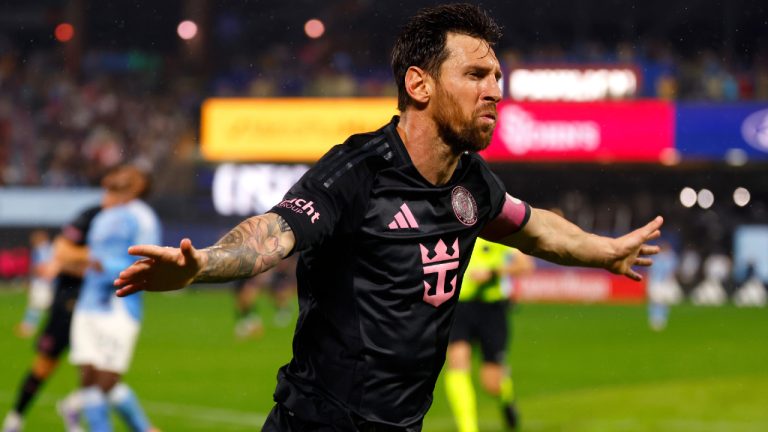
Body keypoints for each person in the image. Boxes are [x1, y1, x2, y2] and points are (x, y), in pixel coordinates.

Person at [114, 4, 663, 430]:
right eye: (476, 74)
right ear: (419, 84)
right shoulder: (358, 171)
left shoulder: (472, 182)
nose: (495, 91)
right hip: (319, 423)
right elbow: (275, 232)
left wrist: (604, 250)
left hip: (402, 425)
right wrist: (203, 264)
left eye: (497, 76)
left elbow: (533, 226)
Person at [65, 165, 162, 432]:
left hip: (119, 306)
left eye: (131, 175)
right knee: (89, 382)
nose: (122, 175)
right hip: (88, 305)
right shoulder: (103, 215)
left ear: (139, 186)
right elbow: (90, 257)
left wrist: (104, 268)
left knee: (104, 383)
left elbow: (148, 261)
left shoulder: (142, 217)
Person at [2, 207, 100, 432]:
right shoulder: (92, 215)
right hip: (67, 306)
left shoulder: (130, 219)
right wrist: (92, 259)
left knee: (97, 370)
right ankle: (16, 417)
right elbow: (63, 250)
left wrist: (80, 262)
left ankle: (73, 410)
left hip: (100, 308)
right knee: (44, 365)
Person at [445, 238, 534, 432]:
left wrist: (492, 272)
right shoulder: (457, 230)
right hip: (459, 307)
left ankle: (506, 400)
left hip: (491, 310)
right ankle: (467, 429)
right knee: (457, 362)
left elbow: (526, 265)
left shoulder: (498, 231)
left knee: (492, 383)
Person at [14, 230, 55, 338]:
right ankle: (30, 326)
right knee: (40, 305)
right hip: (45, 282)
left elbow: (42, 266)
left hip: (43, 283)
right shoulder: (49, 248)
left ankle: (29, 328)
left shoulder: (43, 249)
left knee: (38, 305)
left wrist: (36, 275)